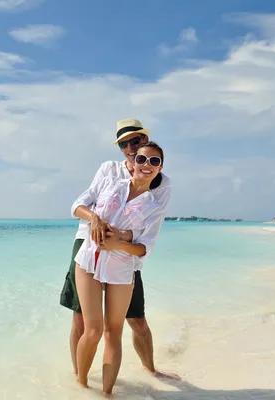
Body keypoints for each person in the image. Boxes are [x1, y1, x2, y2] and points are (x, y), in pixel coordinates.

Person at [59, 118, 178, 380]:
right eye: (124, 143)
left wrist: (123, 237)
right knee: (82, 320)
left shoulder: (161, 182)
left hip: (126, 254)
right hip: (88, 244)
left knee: (136, 320)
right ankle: (79, 379)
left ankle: (151, 370)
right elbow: (80, 203)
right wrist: (95, 220)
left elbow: (152, 225)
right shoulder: (109, 170)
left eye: (135, 140)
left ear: (146, 140)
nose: (130, 147)